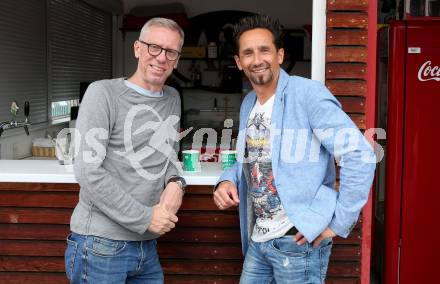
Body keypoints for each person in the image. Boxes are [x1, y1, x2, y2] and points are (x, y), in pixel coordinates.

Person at [213, 15, 375, 283]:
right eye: (248, 53)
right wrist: (226, 180)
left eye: (264, 50)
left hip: (297, 240)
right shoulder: (248, 104)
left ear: (280, 55)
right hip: (259, 238)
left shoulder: (307, 94)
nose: (257, 59)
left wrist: (339, 223)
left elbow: (359, 154)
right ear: (239, 62)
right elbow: (247, 160)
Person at [64, 17, 187, 283]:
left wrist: (177, 182)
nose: (161, 57)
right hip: (100, 245)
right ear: (137, 49)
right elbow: (87, 171)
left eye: (170, 52)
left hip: (147, 246)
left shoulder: (172, 98)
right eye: (153, 47)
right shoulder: (102, 93)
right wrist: (145, 218)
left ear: (177, 59)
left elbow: (169, 155)